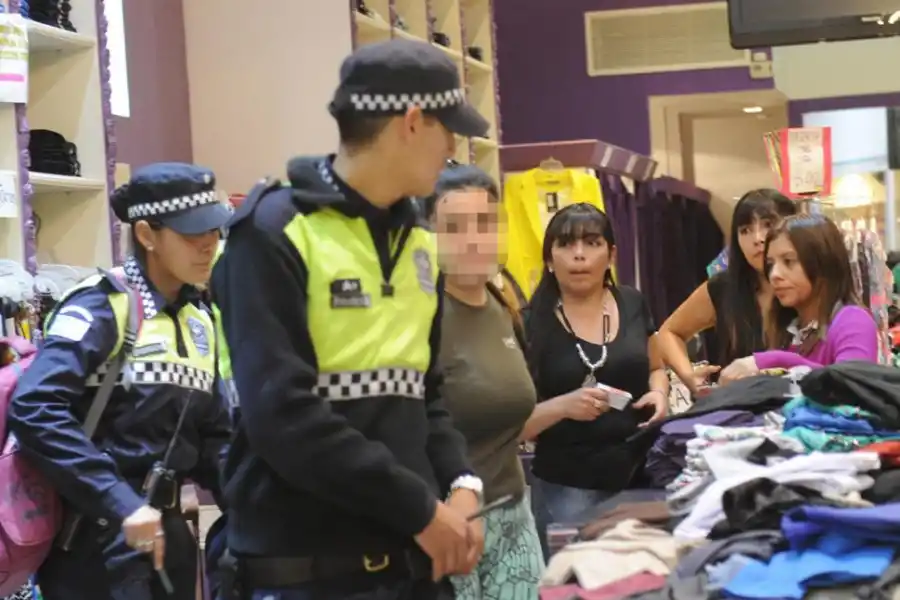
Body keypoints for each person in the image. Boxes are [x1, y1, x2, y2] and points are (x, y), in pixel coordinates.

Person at [210, 39, 491, 600]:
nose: (455, 148)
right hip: (305, 573)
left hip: (413, 570)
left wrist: (462, 486)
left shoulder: (418, 239)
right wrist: (419, 509)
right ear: (412, 122)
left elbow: (424, 393)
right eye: (448, 129)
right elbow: (282, 417)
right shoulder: (271, 232)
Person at [8, 163, 233, 600]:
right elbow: (35, 408)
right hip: (100, 535)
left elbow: (215, 437)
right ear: (147, 235)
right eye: (192, 235)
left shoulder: (199, 319)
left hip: (169, 535)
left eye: (214, 232)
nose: (209, 246)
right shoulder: (102, 305)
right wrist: (116, 499)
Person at [424, 164, 543, 599]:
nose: (473, 238)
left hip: (514, 514)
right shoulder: (422, 318)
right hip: (449, 524)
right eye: (454, 227)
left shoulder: (503, 305)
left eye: (484, 223)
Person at [524, 203, 669, 556]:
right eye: (565, 245)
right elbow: (513, 425)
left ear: (611, 254)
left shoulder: (633, 302)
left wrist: (659, 394)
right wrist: (563, 407)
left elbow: (656, 367)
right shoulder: (529, 322)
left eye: (591, 243)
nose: (579, 256)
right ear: (548, 259)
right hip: (566, 488)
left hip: (640, 477)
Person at [657, 189, 798, 393]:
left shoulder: (810, 284)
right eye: (745, 230)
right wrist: (689, 377)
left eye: (768, 225)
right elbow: (669, 332)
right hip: (737, 413)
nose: (757, 239)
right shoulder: (723, 287)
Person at [720, 214, 879, 381]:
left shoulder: (852, 321)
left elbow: (851, 386)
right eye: (770, 264)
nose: (774, 275)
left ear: (822, 263)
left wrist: (775, 360)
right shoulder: (788, 330)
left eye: (788, 261)